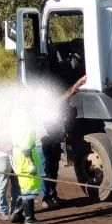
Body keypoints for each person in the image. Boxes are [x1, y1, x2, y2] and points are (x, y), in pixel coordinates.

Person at [41, 74, 87, 208]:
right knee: (45, 170)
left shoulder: (53, 105)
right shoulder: (39, 110)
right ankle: (46, 197)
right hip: (44, 143)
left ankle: (52, 194)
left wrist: (80, 81)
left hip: (54, 141)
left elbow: (69, 92)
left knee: (53, 169)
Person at [9, 95, 46, 224]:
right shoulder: (23, 116)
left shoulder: (18, 115)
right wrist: (30, 161)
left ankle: (17, 214)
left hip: (25, 152)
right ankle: (29, 219)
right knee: (29, 185)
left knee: (29, 184)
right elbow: (24, 139)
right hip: (26, 153)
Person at [0, 137, 20, 222]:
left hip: (12, 158)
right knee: (8, 186)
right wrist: (8, 148)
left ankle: (9, 210)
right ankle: (7, 210)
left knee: (7, 186)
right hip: (6, 158)